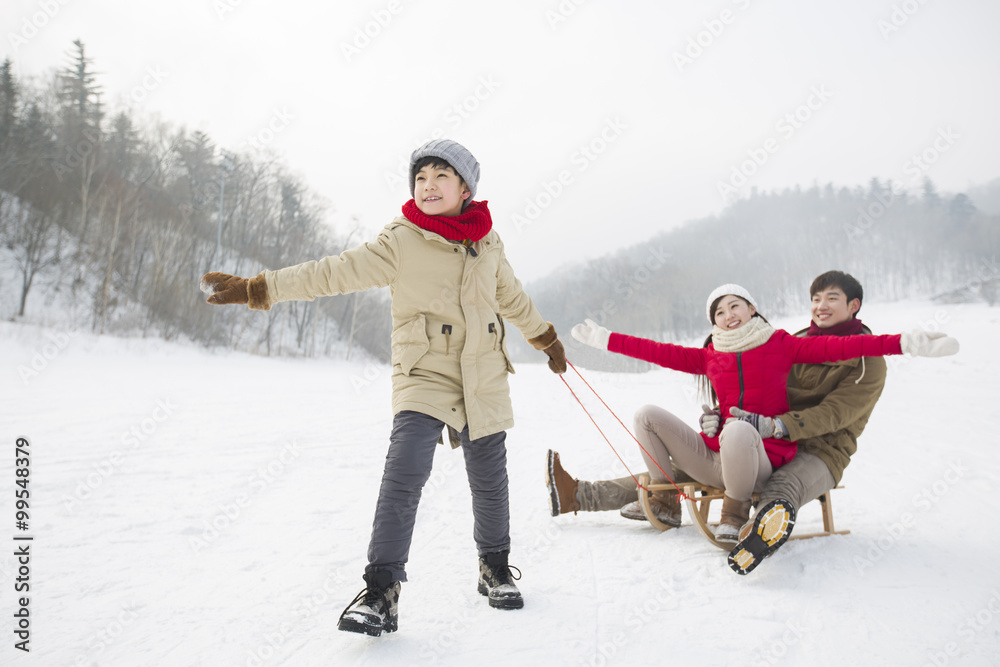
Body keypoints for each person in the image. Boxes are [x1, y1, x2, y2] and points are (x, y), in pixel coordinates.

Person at [199, 139, 567, 637]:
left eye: (441, 176)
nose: (429, 185)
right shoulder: (402, 240)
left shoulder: (489, 243)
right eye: (421, 178)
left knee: (489, 477)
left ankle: (495, 568)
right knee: (404, 472)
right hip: (424, 371)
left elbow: (512, 297)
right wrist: (260, 287)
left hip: (483, 371)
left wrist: (545, 337)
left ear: (465, 188)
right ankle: (381, 593)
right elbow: (334, 272)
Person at [563, 282, 957, 548]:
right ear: (713, 322)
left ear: (752, 309)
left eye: (736, 305)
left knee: (736, 429)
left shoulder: (782, 345)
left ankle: (733, 513)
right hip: (716, 458)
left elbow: (845, 348)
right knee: (647, 414)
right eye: (720, 311)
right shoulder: (709, 356)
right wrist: (604, 339)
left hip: (760, 460)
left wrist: (910, 343)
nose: (729, 314)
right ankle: (664, 502)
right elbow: (656, 351)